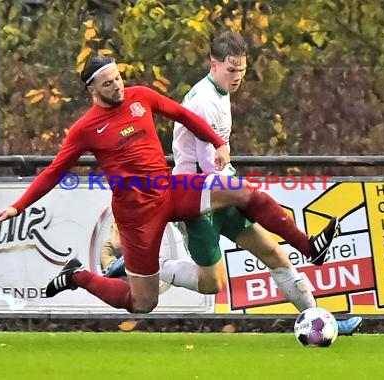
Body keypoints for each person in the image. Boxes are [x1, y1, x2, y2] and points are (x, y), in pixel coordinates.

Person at [0, 53, 339, 314]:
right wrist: (17, 206)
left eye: (118, 77)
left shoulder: (141, 96)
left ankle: (310, 247)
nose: (117, 85)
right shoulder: (85, 128)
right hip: (137, 216)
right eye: (107, 82)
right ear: (92, 89)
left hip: (170, 190)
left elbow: (183, 116)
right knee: (143, 302)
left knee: (243, 193)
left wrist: (218, 143)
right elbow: (54, 171)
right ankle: (77, 276)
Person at [104, 32, 361, 335]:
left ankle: (321, 321)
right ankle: (146, 268)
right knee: (213, 284)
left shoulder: (220, 92)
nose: (238, 76)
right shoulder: (203, 102)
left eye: (242, 69)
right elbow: (208, 164)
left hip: (219, 192)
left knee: (275, 255)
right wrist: (240, 193)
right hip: (197, 202)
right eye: (231, 70)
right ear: (213, 64)